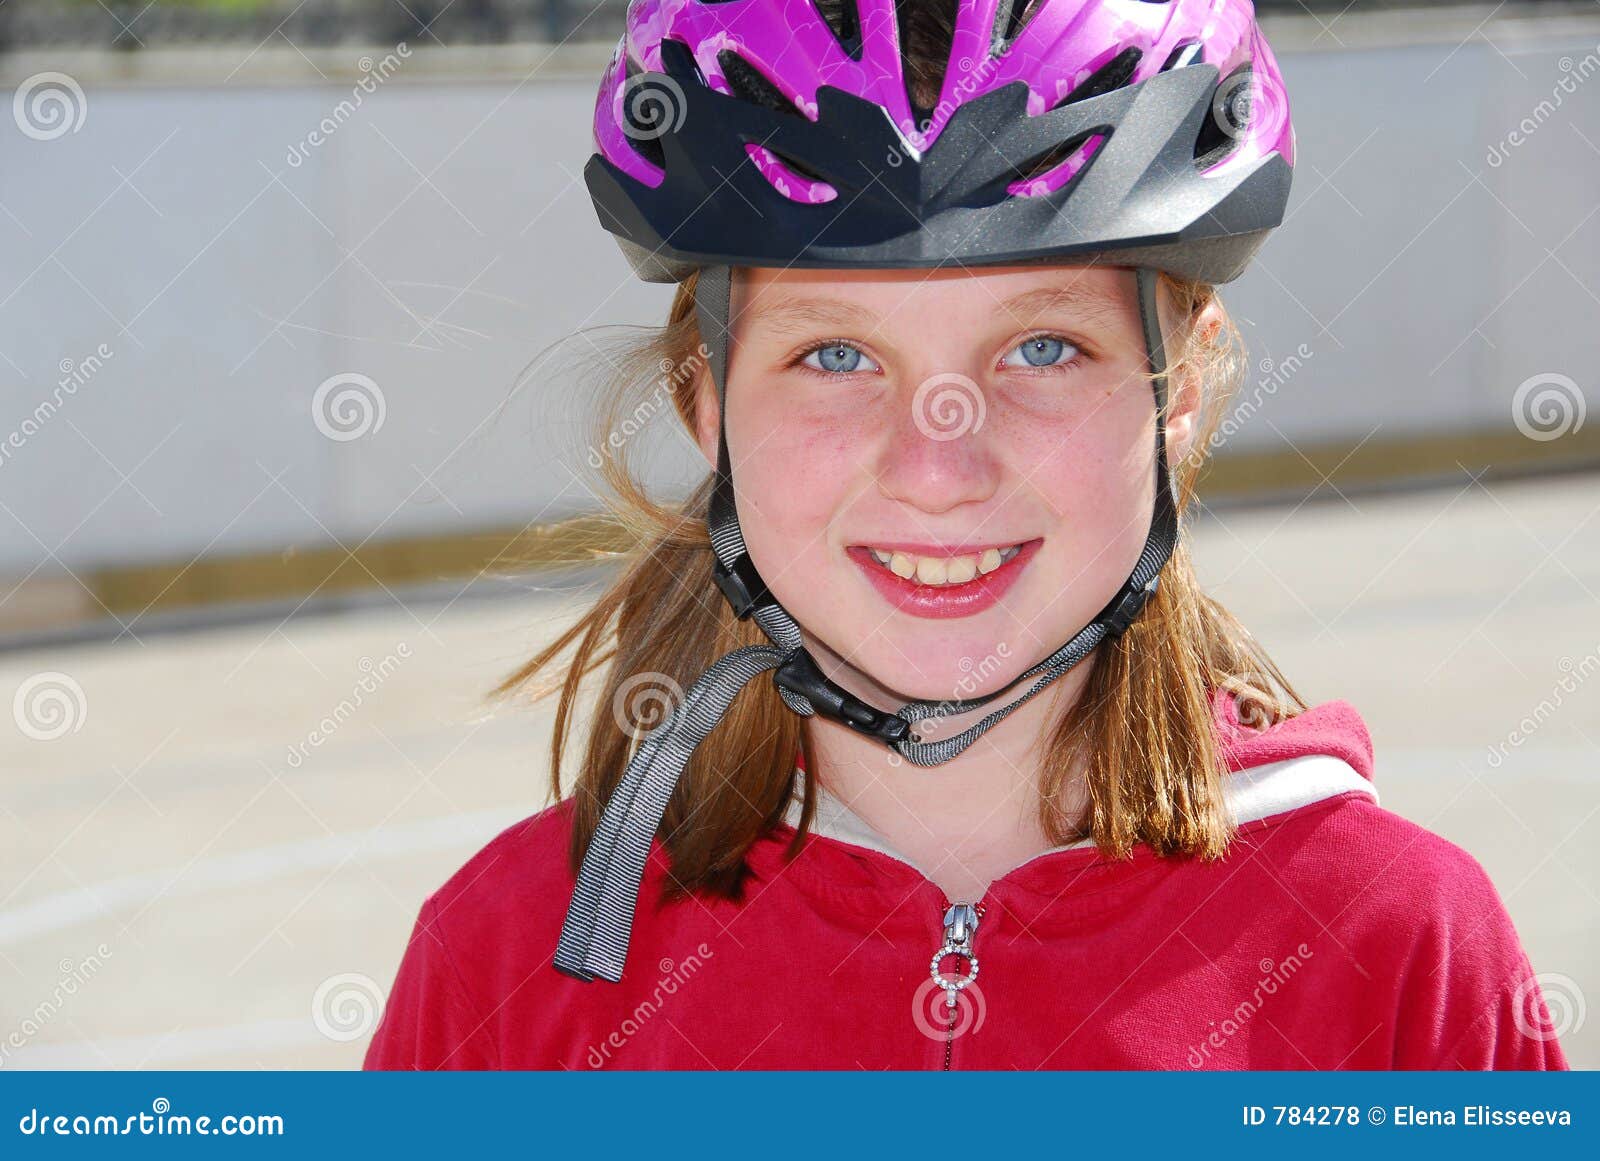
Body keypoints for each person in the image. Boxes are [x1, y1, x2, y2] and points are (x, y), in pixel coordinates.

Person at [364, 0, 1568, 1070]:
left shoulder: (1395, 944)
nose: (937, 466)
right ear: (705, 403)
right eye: (833, 355)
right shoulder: (507, 965)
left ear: (1181, 390)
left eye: (1044, 349)